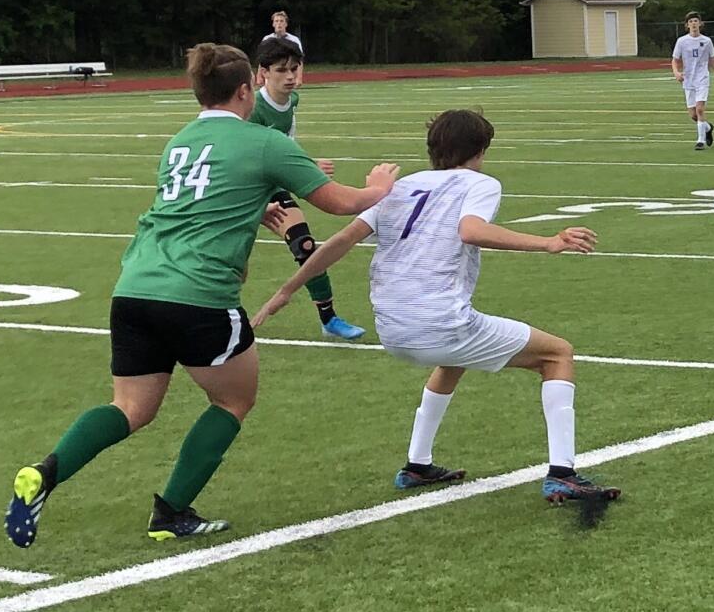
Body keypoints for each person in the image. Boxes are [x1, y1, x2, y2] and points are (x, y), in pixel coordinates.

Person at [3, 44, 398, 547]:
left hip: (135, 286)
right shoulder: (261, 141)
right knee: (234, 398)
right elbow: (342, 203)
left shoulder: (179, 142)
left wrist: (255, 203)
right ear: (245, 89)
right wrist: (377, 187)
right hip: (199, 293)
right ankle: (171, 512)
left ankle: (45, 473)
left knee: (130, 407)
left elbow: (200, 200)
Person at [253, 109, 621, 504]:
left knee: (453, 359)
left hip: (392, 329)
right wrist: (548, 242)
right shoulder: (480, 183)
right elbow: (471, 230)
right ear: (479, 151)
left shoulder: (402, 185)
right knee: (557, 353)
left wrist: (286, 290)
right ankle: (563, 473)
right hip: (441, 323)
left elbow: (342, 240)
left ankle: (417, 464)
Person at [252, 37, 365, 340]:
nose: (290, 77)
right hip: (247, 187)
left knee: (304, 245)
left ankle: (329, 319)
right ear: (263, 72)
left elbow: (285, 145)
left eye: (294, 69)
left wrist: (306, 163)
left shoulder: (292, 101)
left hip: (273, 183)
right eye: (281, 70)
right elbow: (247, 155)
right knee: (230, 255)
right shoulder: (254, 109)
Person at [672, 11, 714, 150]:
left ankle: (700, 141)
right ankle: (708, 128)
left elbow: (712, 60)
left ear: (700, 24)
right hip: (688, 80)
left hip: (702, 78)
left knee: (700, 110)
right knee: (693, 115)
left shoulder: (706, 41)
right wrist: (676, 73)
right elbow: (674, 60)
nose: (693, 24)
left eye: (696, 21)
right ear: (687, 25)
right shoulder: (682, 41)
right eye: (691, 21)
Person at [262, 10, 304, 85]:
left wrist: (299, 78)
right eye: (276, 21)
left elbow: (299, 60)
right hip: (271, 76)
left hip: (288, 75)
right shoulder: (267, 39)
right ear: (273, 24)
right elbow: (262, 59)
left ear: (286, 24)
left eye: (281, 21)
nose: (279, 23)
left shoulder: (294, 40)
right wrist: (259, 76)